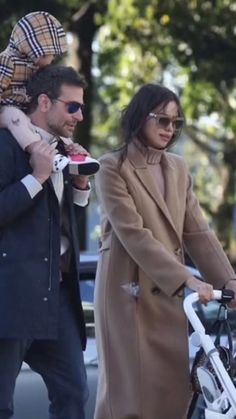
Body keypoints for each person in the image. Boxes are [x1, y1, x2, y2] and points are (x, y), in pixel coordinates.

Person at [94, 83, 236, 419]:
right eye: (161, 120)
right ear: (140, 118)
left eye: (176, 123)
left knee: (171, 397)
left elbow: (198, 232)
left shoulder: (178, 168)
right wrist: (187, 280)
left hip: (168, 297)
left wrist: (228, 282)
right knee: (127, 400)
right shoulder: (111, 166)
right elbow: (134, 235)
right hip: (127, 296)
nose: (169, 129)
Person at [0, 65, 91, 419]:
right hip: (11, 297)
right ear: (43, 102)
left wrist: (80, 190)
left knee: (73, 393)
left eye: (81, 107)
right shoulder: (7, 146)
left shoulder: (62, 150)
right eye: (72, 107)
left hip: (57, 297)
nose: (80, 115)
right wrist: (37, 177)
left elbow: (56, 227)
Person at [0, 10, 100, 175]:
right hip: (5, 110)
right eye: (48, 53)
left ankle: (74, 157)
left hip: (22, 109)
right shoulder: (7, 61)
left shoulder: (34, 67)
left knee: (60, 128)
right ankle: (39, 151)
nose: (51, 59)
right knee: (15, 117)